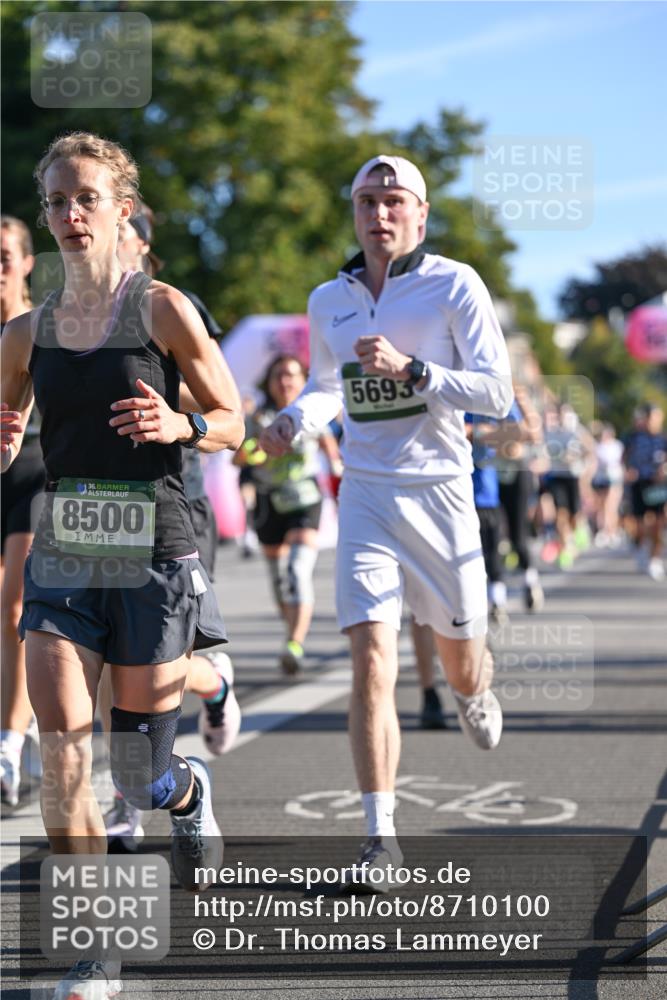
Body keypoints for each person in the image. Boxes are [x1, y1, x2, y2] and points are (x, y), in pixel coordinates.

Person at [0, 132, 245, 998]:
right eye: (56, 200)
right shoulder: (24, 332)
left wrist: (184, 427)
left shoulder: (164, 310)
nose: (69, 214)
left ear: (121, 209)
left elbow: (231, 419)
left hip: (154, 552)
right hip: (66, 551)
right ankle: (97, 952)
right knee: (64, 757)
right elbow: (4, 436)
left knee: (138, 773)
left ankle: (186, 793)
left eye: (86, 198)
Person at [260, 154, 513, 887]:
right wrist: (292, 421)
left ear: (420, 214)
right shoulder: (327, 298)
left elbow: (495, 394)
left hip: (439, 492)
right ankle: (380, 836)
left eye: (393, 200)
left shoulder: (453, 283)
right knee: (371, 659)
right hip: (366, 494)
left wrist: (416, 370)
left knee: (461, 663)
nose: (379, 214)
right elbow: (325, 388)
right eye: (367, 201)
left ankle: (471, 690)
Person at [100, 206, 242, 852]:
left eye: (119, 231)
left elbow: (217, 401)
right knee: (105, 665)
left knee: (164, 659)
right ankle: (131, 794)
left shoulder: (171, 307)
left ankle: (215, 685)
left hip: (171, 504)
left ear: (140, 244)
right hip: (93, 515)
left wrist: (158, 402)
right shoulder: (67, 321)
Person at [235, 354, 339, 674]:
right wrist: (254, 452)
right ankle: (291, 625)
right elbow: (239, 459)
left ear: (302, 379)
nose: (285, 381)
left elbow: (331, 451)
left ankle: (295, 643)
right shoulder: (258, 417)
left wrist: (339, 470)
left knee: (297, 570)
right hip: (269, 503)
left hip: (305, 499)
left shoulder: (311, 410)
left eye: (292, 375)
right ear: (269, 381)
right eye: (279, 375)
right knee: (280, 580)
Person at [0, 216, 44, 808]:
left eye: (5, 254)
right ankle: (21, 713)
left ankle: (8, 746)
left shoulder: (40, 324)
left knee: (16, 602)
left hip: (37, 470)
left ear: (27, 261)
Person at [623, 403, 667, 580]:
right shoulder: (633, 437)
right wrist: (628, 469)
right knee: (640, 523)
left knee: (657, 522)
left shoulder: (663, 439)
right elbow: (625, 457)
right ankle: (640, 545)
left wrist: (664, 469)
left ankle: (654, 558)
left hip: (656, 484)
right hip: (639, 483)